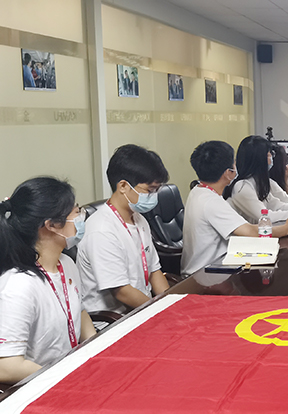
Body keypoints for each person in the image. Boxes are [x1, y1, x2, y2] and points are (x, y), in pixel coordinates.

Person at [0, 177, 96, 384]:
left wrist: (96, 350)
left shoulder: (66, 264)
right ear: (51, 225)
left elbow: (79, 311)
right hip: (43, 384)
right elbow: (7, 367)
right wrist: (62, 377)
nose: (82, 217)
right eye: (76, 212)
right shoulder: (19, 285)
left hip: (72, 371)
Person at [181, 141, 288, 276]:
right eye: (234, 163)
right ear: (228, 173)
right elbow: (250, 231)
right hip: (205, 274)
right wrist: (287, 229)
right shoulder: (211, 201)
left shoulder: (198, 191)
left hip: (213, 266)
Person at [77, 145, 170, 314]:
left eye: (157, 190)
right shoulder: (101, 230)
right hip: (114, 319)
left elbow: (154, 271)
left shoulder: (139, 219)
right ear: (123, 186)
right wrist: (160, 312)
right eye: (149, 190)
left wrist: (171, 304)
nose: (153, 196)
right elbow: (122, 292)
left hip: (142, 308)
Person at [225, 135, 288, 224]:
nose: (272, 158)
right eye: (269, 154)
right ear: (260, 159)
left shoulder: (258, 182)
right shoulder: (242, 187)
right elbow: (265, 216)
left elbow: (277, 205)